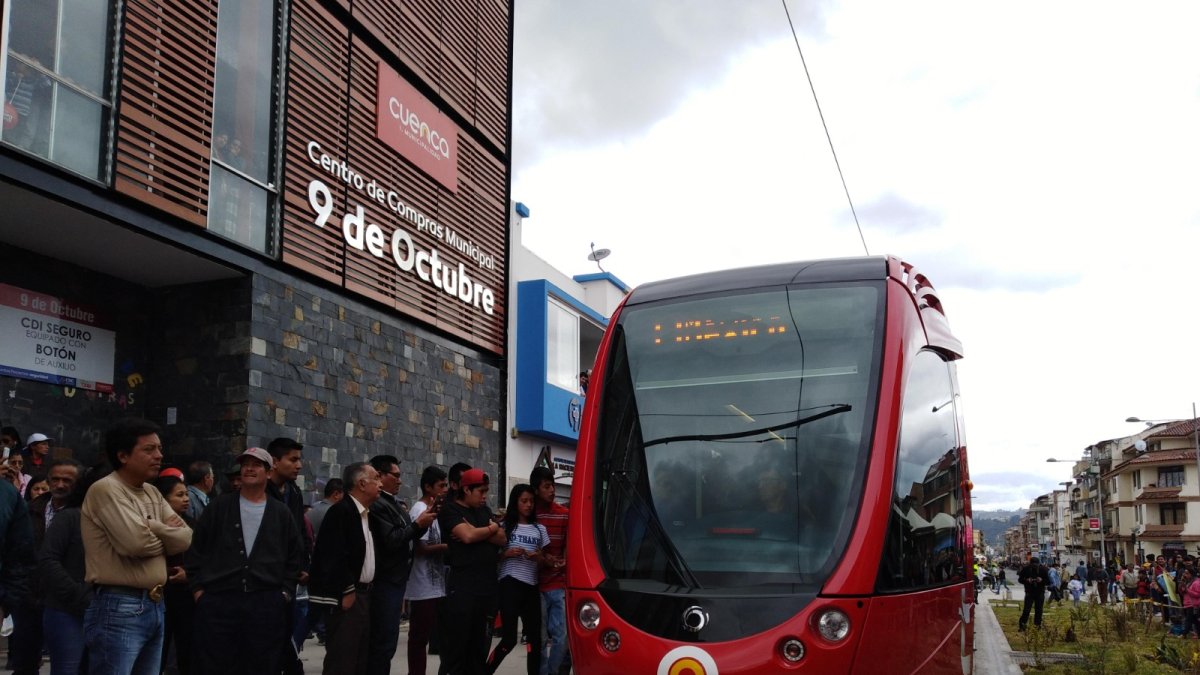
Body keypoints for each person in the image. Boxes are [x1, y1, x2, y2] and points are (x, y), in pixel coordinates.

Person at [81, 418, 192, 675]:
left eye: (159, 448)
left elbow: (186, 539)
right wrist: (165, 533)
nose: (159, 455)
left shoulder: (152, 492)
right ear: (123, 456)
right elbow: (136, 544)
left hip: (156, 604)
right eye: (149, 449)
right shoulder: (106, 489)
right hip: (119, 605)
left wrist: (151, 526)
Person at [186, 447, 306, 675]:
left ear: (269, 472)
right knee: (215, 664)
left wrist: (285, 592)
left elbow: (294, 556)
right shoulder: (219, 507)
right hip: (220, 600)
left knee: (261, 664)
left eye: (256, 465)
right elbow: (197, 549)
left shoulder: (280, 512)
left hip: (265, 603)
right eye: (245, 465)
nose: (249, 469)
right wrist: (198, 590)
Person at [366, 455, 436, 675]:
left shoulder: (393, 503)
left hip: (396, 580)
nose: (399, 480)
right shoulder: (379, 505)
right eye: (395, 476)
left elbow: (408, 536)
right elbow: (393, 539)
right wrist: (417, 524)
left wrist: (423, 523)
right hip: (385, 580)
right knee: (382, 642)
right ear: (379, 475)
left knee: (388, 641)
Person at [310, 462, 382, 675]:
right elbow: (333, 555)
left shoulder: (367, 515)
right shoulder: (341, 511)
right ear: (362, 483)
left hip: (365, 595)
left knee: (359, 659)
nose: (380, 484)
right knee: (343, 658)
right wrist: (347, 589)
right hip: (349, 597)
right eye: (376, 478)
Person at [12, 459, 80, 675]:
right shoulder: (30, 509)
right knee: (24, 661)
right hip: (30, 597)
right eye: (55, 479)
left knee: (66, 664)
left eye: (67, 480)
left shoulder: (84, 513)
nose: (60, 485)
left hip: (66, 600)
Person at [42, 463, 108, 675]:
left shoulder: (116, 522)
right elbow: (48, 560)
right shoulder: (70, 517)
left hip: (106, 610)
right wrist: (79, 594)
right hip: (67, 610)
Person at [438, 468, 506, 675]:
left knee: (479, 648)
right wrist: (491, 528)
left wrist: (480, 532)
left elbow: (502, 539)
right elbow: (467, 536)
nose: (484, 496)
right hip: (464, 588)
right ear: (466, 489)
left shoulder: (483, 510)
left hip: (487, 587)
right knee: (457, 648)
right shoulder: (450, 510)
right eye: (481, 491)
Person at [487, 484, 548, 675]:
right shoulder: (503, 527)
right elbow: (490, 558)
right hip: (509, 584)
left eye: (531, 501)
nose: (529, 505)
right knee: (509, 640)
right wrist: (506, 554)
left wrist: (538, 558)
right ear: (515, 502)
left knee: (534, 641)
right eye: (524, 501)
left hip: (531, 587)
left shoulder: (540, 529)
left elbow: (545, 560)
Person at [266, 438, 311, 674]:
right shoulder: (261, 492)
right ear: (274, 461)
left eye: (299, 459)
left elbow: (300, 532)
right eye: (293, 460)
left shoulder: (293, 492)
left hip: (290, 578)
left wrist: (303, 564)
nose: (299, 465)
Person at [406, 466, 448, 675]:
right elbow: (420, 548)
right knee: (419, 638)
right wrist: (447, 547)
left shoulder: (436, 511)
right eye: (441, 485)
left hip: (436, 584)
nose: (445, 490)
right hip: (422, 584)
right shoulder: (419, 510)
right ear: (428, 487)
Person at [154, 473, 196, 675]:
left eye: (186, 494)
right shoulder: (151, 524)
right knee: (157, 651)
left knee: (187, 649)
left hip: (186, 595)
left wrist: (189, 574)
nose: (186, 499)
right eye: (179, 495)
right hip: (157, 594)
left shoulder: (193, 524)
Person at [530, 467, 568, 675]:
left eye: (552, 485)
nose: (552, 490)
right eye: (547, 486)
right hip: (534, 584)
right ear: (536, 490)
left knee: (561, 636)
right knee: (540, 638)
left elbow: (568, 545)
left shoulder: (564, 514)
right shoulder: (529, 515)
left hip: (558, 583)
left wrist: (565, 560)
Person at [1017, 556, 1048, 631]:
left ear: (1038, 564)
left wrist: (1041, 580)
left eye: (1036, 565)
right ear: (1030, 564)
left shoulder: (1043, 569)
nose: (1034, 566)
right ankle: (1022, 626)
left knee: (1039, 610)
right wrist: (1027, 580)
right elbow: (1020, 580)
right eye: (1033, 565)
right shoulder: (1026, 569)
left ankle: (1037, 626)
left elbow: (1048, 581)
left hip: (1040, 592)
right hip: (1029, 592)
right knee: (1026, 610)